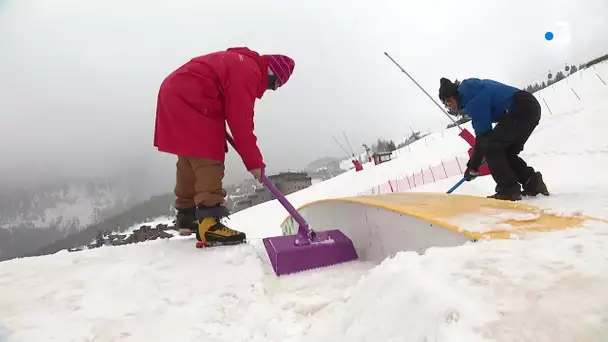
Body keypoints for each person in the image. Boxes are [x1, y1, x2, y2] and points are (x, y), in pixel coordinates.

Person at [153, 47, 295, 244]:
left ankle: (186, 216)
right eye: (276, 84)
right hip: (192, 96)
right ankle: (209, 223)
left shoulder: (242, 63)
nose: (272, 89)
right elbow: (241, 122)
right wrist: (254, 162)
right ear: (272, 73)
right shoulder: (249, 72)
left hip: (174, 91)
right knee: (208, 154)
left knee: (190, 156)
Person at [438, 77, 549, 201]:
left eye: (448, 102)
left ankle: (508, 190)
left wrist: (473, 167)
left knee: (491, 147)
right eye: (446, 105)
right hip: (527, 108)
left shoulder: (472, 97)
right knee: (504, 151)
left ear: (454, 95)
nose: (449, 106)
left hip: (522, 109)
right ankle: (533, 183)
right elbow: (496, 119)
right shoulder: (472, 91)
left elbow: (482, 138)